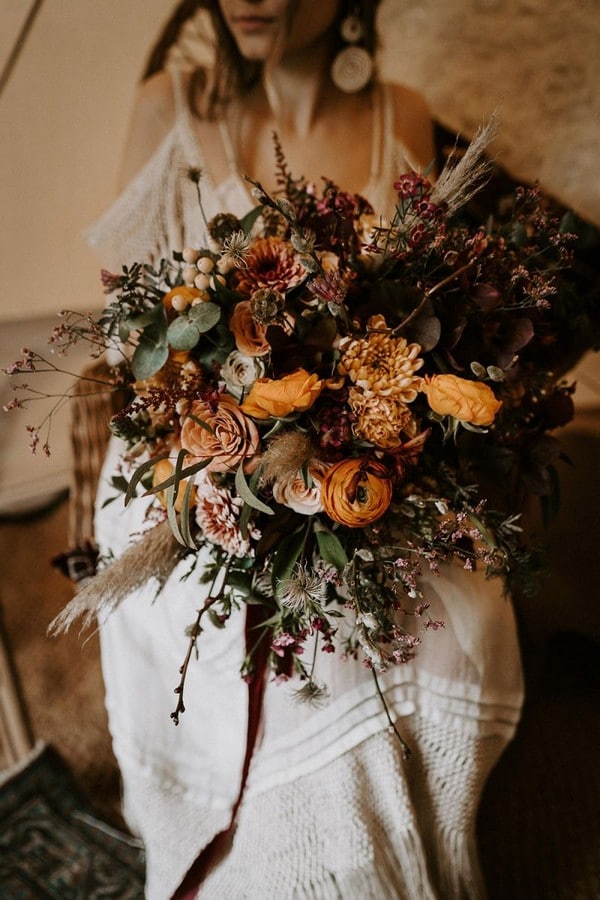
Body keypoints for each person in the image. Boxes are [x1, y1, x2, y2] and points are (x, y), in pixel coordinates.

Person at [87, 2, 524, 897]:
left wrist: (371, 423)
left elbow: (416, 316)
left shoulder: (398, 110)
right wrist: (225, 432)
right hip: (187, 450)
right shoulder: (168, 103)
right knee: (294, 649)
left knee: (457, 614)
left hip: (368, 448)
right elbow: (117, 336)